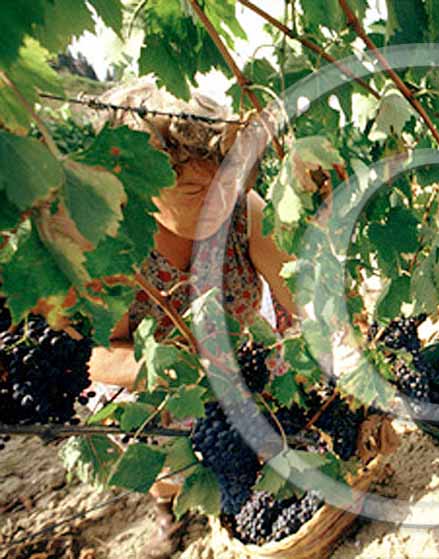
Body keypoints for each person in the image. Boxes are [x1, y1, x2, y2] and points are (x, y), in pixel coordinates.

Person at [86, 78, 297, 557]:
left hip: (246, 360)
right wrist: (177, 369)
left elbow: (302, 303)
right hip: (160, 387)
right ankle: (165, 506)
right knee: (162, 455)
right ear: (132, 181)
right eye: (189, 182)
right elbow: (98, 357)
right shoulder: (113, 254)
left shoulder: (246, 215)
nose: (215, 190)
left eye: (221, 171)